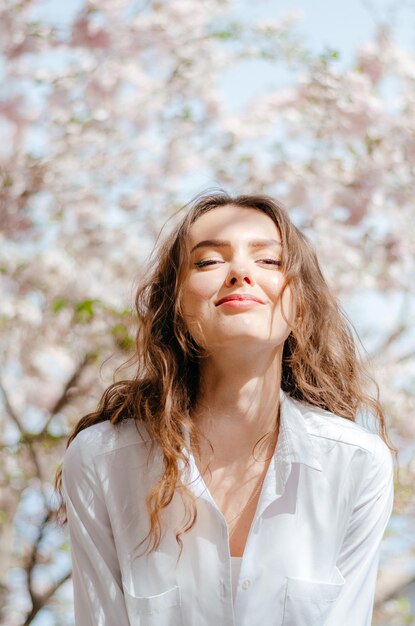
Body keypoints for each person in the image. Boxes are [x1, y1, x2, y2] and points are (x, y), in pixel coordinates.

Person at [56, 191, 396, 626]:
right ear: (174, 304)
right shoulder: (103, 460)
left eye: (270, 261)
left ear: (301, 304)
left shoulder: (355, 463)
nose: (240, 273)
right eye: (208, 262)